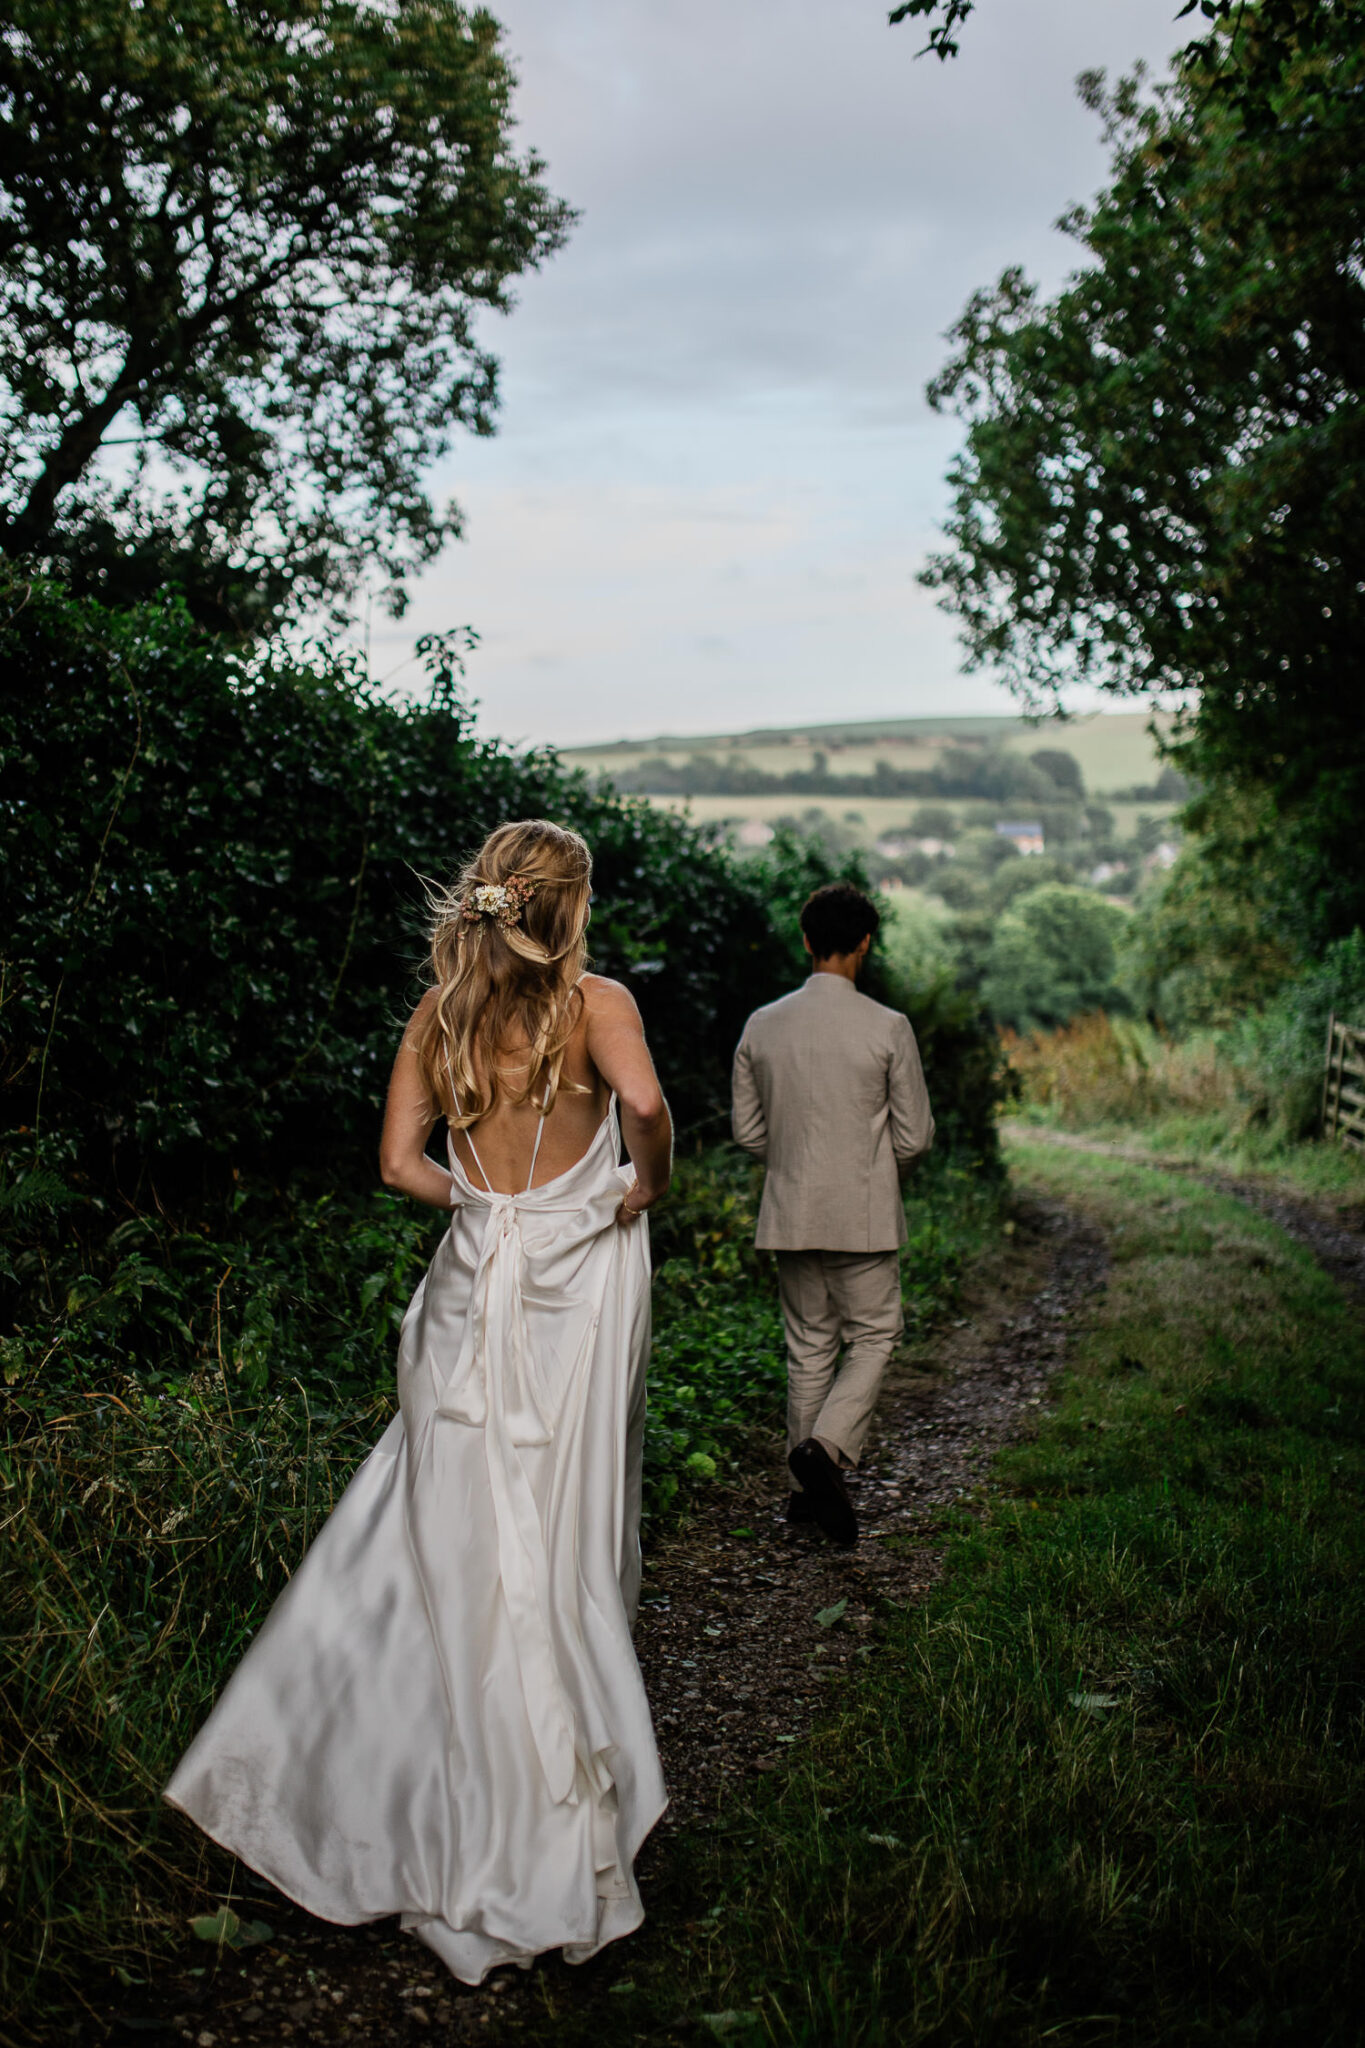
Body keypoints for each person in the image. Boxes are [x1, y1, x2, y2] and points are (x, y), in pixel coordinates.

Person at [166, 820, 672, 1984]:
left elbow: (398, 1163)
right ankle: (545, 1827)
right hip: (572, 1291)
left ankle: (386, 1800)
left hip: (468, 1287)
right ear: (571, 904)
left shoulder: (437, 1016)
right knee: (554, 1535)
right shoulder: (599, 1006)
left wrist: (484, 1208)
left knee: (440, 1539)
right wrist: (641, 1183)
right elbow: (641, 1105)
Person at [731, 882, 934, 1547]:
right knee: (874, 1334)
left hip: (789, 1210)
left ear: (804, 939)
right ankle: (825, 1447)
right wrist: (874, 1176)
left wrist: (792, 1164)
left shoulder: (762, 1024)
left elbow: (748, 1133)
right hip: (864, 1214)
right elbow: (914, 1136)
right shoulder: (886, 1027)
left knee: (808, 1346)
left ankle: (801, 1492)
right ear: (866, 943)